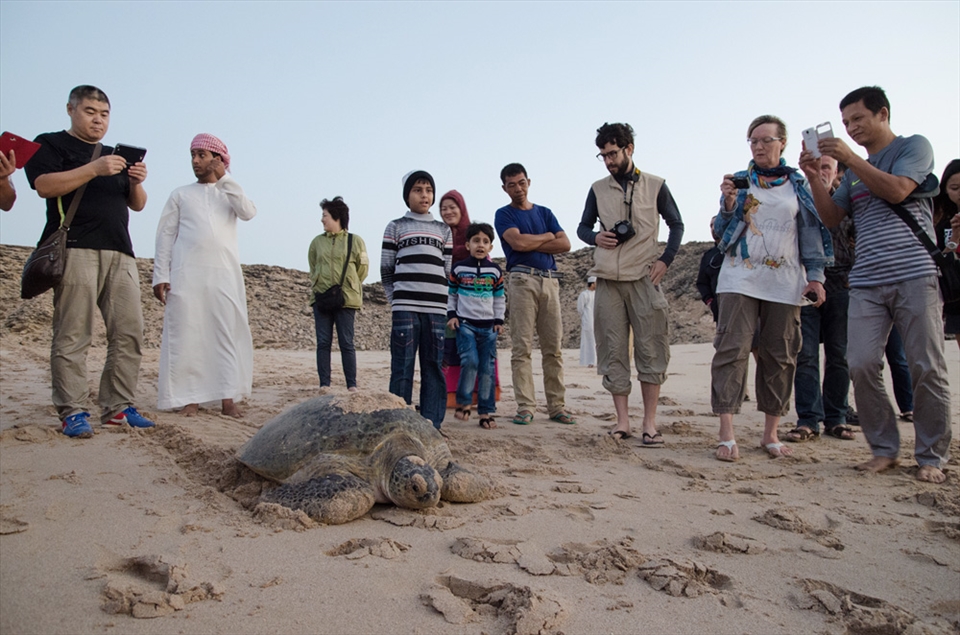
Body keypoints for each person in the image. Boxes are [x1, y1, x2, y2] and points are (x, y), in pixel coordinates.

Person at [799, 86, 951, 484]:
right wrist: (816, 179)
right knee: (862, 363)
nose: (850, 128)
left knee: (925, 365)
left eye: (857, 119)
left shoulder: (913, 147)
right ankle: (884, 449)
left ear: (882, 114)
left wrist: (851, 160)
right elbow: (832, 219)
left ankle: (931, 454)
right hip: (866, 279)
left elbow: (899, 190)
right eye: (846, 122)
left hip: (914, 272)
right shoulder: (851, 175)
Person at [24, 85, 155, 437]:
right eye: (90, 112)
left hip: (121, 251)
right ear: (71, 110)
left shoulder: (116, 155)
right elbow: (44, 185)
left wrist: (137, 182)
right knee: (73, 333)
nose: (98, 120)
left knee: (129, 333)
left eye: (104, 114)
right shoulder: (50, 144)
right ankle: (73, 411)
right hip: (77, 248)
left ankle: (118, 407)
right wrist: (95, 168)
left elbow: (137, 204)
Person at [712, 114, 833, 462]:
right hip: (739, 278)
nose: (759, 146)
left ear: (783, 143)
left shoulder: (799, 186)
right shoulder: (742, 183)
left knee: (780, 355)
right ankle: (727, 433)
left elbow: (811, 235)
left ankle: (770, 433)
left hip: (784, 282)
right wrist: (729, 204)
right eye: (753, 140)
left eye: (766, 140)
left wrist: (816, 277)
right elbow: (722, 233)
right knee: (731, 351)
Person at [576, 122, 684, 444]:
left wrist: (666, 260)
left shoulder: (656, 185)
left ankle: (649, 423)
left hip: (644, 277)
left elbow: (676, 224)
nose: (608, 161)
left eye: (612, 153)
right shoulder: (597, 189)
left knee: (651, 349)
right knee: (613, 351)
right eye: (603, 155)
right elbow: (582, 228)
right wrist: (596, 236)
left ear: (629, 149)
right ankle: (622, 421)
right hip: (607, 279)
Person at [153, 134, 256, 417]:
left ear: (218, 159)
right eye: (193, 155)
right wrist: (161, 274)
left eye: (202, 155)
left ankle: (228, 398)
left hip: (223, 276)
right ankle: (190, 399)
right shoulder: (180, 194)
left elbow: (248, 212)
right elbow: (165, 236)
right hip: (186, 275)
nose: (196, 161)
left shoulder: (229, 192)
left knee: (225, 332)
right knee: (189, 334)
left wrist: (225, 179)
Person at [494, 163, 575, 426]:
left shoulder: (545, 212)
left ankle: (557, 406)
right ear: (504, 188)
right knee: (522, 347)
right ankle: (526, 406)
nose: (518, 189)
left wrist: (534, 240)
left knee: (554, 348)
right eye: (511, 185)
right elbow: (517, 243)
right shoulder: (503, 214)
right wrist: (547, 237)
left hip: (550, 281)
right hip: (521, 279)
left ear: (529, 181)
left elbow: (565, 244)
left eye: (521, 182)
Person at [787, 154, 857, 443]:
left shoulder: (848, 202)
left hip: (842, 282)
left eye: (827, 167)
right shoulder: (799, 201)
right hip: (805, 284)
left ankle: (836, 417)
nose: (822, 172)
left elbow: (861, 238)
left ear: (837, 172)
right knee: (805, 355)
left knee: (839, 355)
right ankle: (808, 418)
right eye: (817, 168)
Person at [381, 170, 452, 430]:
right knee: (402, 365)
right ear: (407, 195)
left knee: (433, 366)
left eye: (428, 190)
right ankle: (397, 423)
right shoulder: (396, 226)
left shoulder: (443, 230)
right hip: (405, 309)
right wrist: (396, 300)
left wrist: (443, 302)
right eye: (418, 190)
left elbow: (446, 270)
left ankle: (432, 424)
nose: (424, 195)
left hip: (436, 310)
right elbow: (387, 270)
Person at [447, 222, 505, 430]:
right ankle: (463, 404)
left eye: (485, 241)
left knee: (487, 368)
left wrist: (499, 320)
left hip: (489, 328)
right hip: (465, 325)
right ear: (467, 244)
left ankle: (485, 411)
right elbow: (452, 295)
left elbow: (499, 298)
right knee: (470, 362)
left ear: (491, 247)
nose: (481, 245)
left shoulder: (495, 271)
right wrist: (452, 315)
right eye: (476, 241)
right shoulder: (459, 268)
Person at [308, 196, 368, 391]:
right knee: (323, 342)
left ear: (337, 216)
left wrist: (348, 285)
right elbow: (313, 266)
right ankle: (324, 384)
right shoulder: (316, 242)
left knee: (346, 342)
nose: (322, 219)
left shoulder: (355, 241)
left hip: (346, 299)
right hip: (321, 298)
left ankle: (352, 385)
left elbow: (362, 269)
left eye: (324, 215)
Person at [933, 158, 960, 350]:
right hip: (957, 296)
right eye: (955, 188)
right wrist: (955, 237)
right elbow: (942, 259)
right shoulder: (944, 224)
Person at [696, 217, 723, 323]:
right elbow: (702, 282)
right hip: (719, 310)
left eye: (716, 224)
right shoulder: (708, 256)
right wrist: (710, 301)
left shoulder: (736, 251)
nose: (713, 228)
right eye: (711, 226)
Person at [577, 277, 597, 367]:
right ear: (592, 284)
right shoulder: (584, 294)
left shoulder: (597, 294)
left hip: (596, 319)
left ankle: (596, 361)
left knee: (597, 341)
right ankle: (590, 361)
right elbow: (580, 308)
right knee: (589, 341)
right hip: (588, 320)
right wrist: (585, 318)